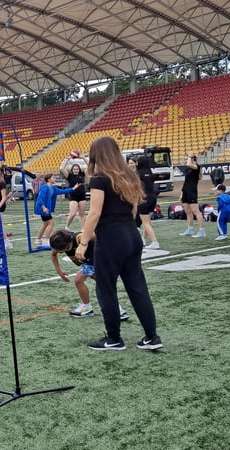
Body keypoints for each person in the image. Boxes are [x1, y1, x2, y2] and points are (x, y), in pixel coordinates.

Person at [75, 136, 162, 351]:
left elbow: (94, 213)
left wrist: (83, 243)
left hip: (111, 239)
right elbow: (133, 210)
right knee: (138, 287)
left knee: (106, 289)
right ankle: (152, 336)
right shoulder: (129, 176)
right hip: (132, 236)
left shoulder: (99, 178)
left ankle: (113, 338)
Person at [49, 229, 129, 320]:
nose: (59, 252)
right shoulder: (59, 244)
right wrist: (59, 271)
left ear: (68, 243)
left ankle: (88, 308)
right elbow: (53, 254)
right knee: (103, 285)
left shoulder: (80, 238)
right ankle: (118, 310)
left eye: (62, 250)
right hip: (89, 261)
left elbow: (100, 234)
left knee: (78, 281)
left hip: (99, 258)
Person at [33, 174, 77, 247]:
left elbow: (63, 191)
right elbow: (40, 198)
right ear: (48, 179)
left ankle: (38, 240)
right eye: (53, 177)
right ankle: (46, 240)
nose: (55, 179)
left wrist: (73, 188)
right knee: (51, 223)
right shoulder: (44, 187)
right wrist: (43, 208)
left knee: (45, 224)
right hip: (42, 208)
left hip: (46, 209)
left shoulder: (53, 188)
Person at [129, 156, 160, 249]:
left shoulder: (137, 174)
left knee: (145, 222)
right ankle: (143, 239)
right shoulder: (150, 173)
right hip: (153, 198)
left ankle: (155, 242)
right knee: (147, 222)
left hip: (143, 199)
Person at [178, 153, 206, 238]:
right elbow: (186, 182)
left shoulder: (196, 167)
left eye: (188, 158)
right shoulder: (188, 169)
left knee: (196, 211)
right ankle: (190, 229)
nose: (187, 159)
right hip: (186, 191)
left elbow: (189, 164)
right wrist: (182, 193)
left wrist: (190, 156)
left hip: (192, 191)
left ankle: (202, 231)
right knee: (188, 212)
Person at [61, 159, 88, 231]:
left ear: (79, 170)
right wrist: (68, 159)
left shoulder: (82, 175)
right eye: (74, 169)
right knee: (72, 213)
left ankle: (83, 228)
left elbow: (89, 166)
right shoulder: (69, 176)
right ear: (72, 170)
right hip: (73, 196)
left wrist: (83, 158)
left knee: (82, 214)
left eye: (77, 169)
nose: (76, 170)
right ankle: (67, 226)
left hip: (82, 196)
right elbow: (62, 168)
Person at [0, 168, 13, 249]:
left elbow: (4, 197)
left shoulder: (2, 183)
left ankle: (6, 241)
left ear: (0, 174)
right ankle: (6, 241)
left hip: (0, 206)